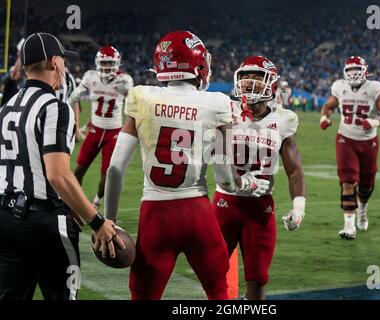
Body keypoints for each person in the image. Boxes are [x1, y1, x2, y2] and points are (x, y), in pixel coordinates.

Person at [103, 31, 268, 300]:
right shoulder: (216, 103)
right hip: (197, 213)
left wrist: (108, 220)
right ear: (198, 64)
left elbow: (114, 168)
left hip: (155, 214)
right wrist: (244, 183)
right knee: (218, 293)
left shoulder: (142, 97)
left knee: (144, 295)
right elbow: (225, 179)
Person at [0, 33, 122, 300]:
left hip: (6, 221)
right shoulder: (56, 107)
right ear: (54, 62)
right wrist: (96, 220)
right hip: (45, 225)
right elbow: (57, 174)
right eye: (64, 60)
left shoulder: (7, 107)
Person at [214, 56, 306, 300]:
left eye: (256, 77)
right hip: (226, 202)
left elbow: (294, 169)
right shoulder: (225, 110)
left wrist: (299, 208)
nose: (249, 82)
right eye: (245, 76)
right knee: (213, 274)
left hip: (260, 206)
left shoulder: (284, 120)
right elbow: (213, 155)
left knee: (257, 279)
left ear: (272, 84)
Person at [319, 56, 380, 239]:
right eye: (350, 70)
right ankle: (348, 226)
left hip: (369, 142)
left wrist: (376, 121)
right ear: (345, 72)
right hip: (345, 138)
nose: (353, 74)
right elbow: (328, 105)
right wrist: (324, 117)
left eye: (357, 70)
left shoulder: (374, 88)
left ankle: (362, 210)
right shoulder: (339, 87)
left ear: (365, 71)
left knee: (366, 185)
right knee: (347, 180)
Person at [68, 45, 133, 209]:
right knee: (79, 168)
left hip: (114, 133)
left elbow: (133, 105)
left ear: (117, 63)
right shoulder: (91, 77)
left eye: (109, 63)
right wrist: (75, 122)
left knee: (107, 173)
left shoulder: (124, 80)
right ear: (98, 63)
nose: (106, 67)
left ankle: (96, 202)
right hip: (95, 130)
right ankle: (73, 201)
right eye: (103, 63)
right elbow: (74, 97)